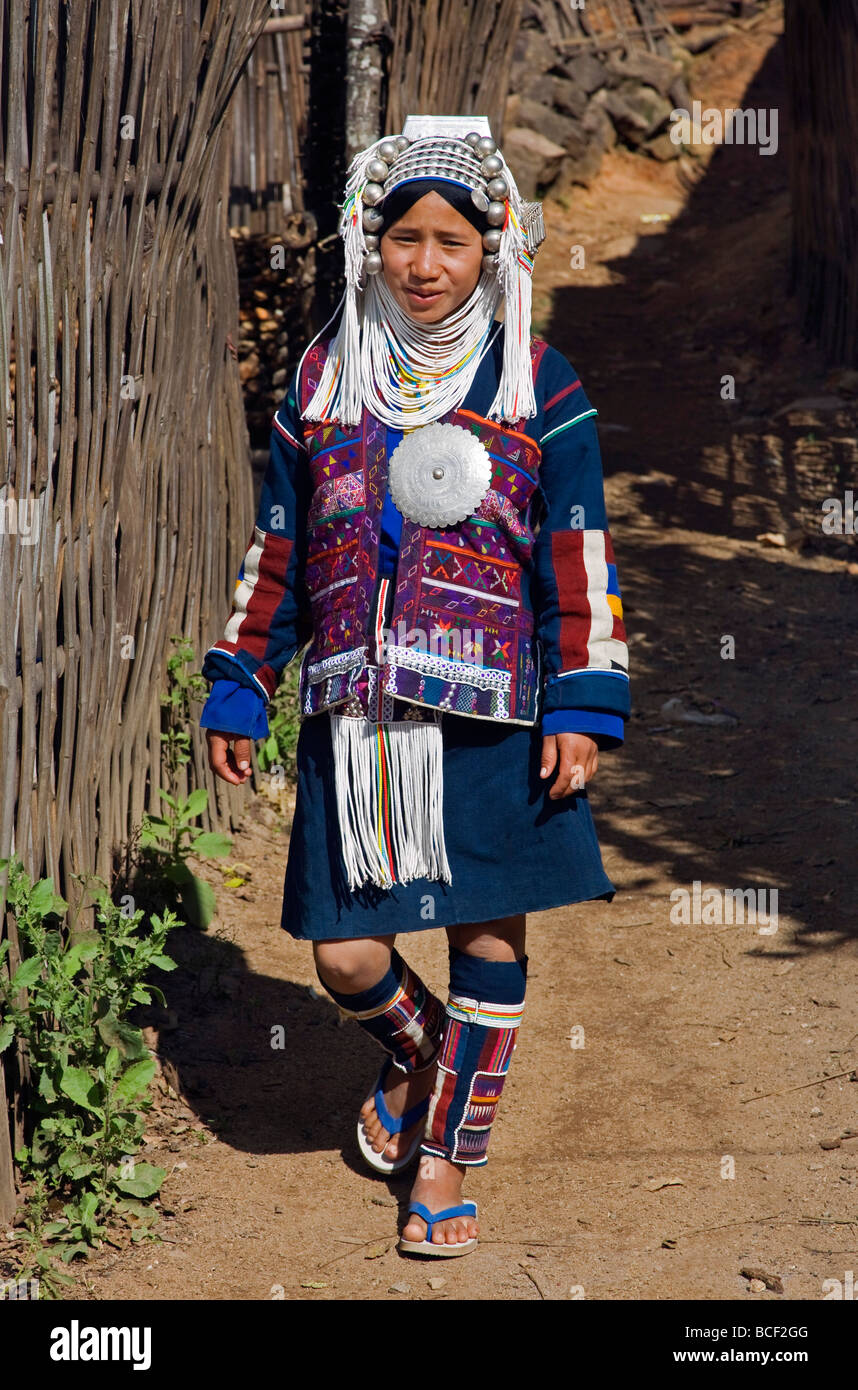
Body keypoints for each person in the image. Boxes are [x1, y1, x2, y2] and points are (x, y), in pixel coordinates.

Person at [199, 116, 630, 1258]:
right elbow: (282, 548)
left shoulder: (539, 380)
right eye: (405, 239)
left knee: (487, 934)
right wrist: (243, 677)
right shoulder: (326, 378)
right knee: (346, 951)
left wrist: (583, 700)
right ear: (369, 244)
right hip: (361, 723)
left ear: (494, 248)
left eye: (452, 240)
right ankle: (427, 1055)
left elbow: (577, 550)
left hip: (496, 716)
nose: (427, 265)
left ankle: (447, 1154)